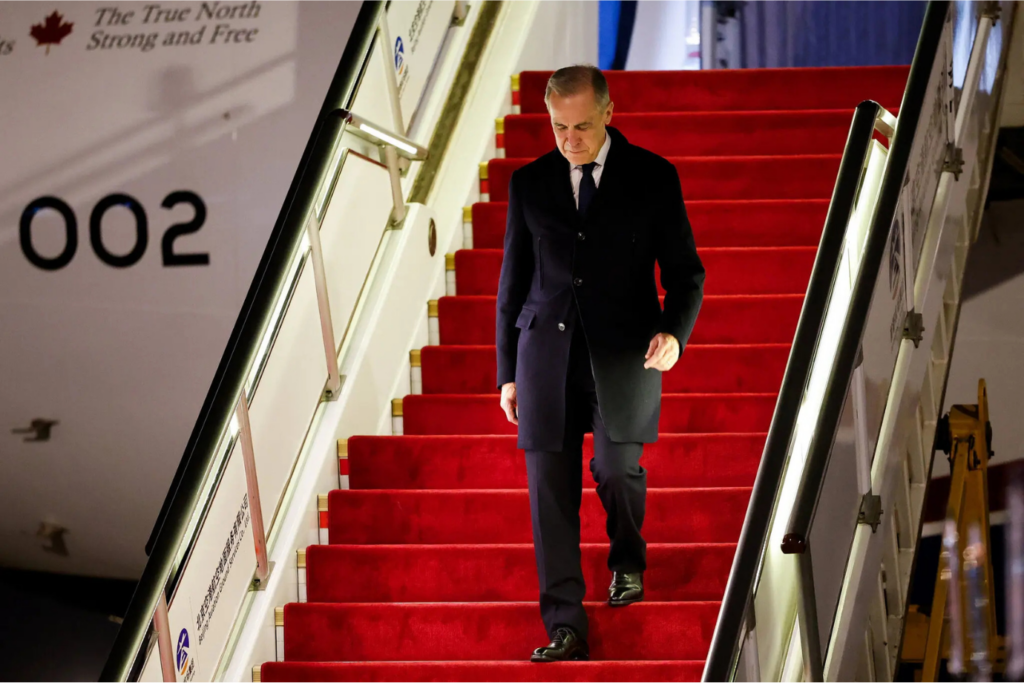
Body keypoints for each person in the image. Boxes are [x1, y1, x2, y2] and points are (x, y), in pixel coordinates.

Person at [495, 64, 705, 663]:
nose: (570, 141)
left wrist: (674, 333)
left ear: (609, 113)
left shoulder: (653, 176)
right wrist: (507, 372)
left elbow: (687, 274)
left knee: (616, 470)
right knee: (549, 495)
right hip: (544, 358)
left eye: (582, 127)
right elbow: (513, 285)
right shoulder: (529, 183)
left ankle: (627, 559)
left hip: (624, 354)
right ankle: (565, 625)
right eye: (559, 127)